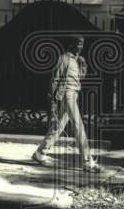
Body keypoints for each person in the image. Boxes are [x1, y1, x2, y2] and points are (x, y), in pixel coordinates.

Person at [32, 35, 99, 171]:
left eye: (82, 44)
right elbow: (55, 79)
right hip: (67, 94)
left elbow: (79, 78)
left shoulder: (77, 60)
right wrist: (53, 100)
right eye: (79, 44)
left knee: (58, 126)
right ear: (72, 45)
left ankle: (40, 153)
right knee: (79, 126)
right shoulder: (64, 58)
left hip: (74, 94)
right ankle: (87, 161)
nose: (81, 47)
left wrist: (83, 65)